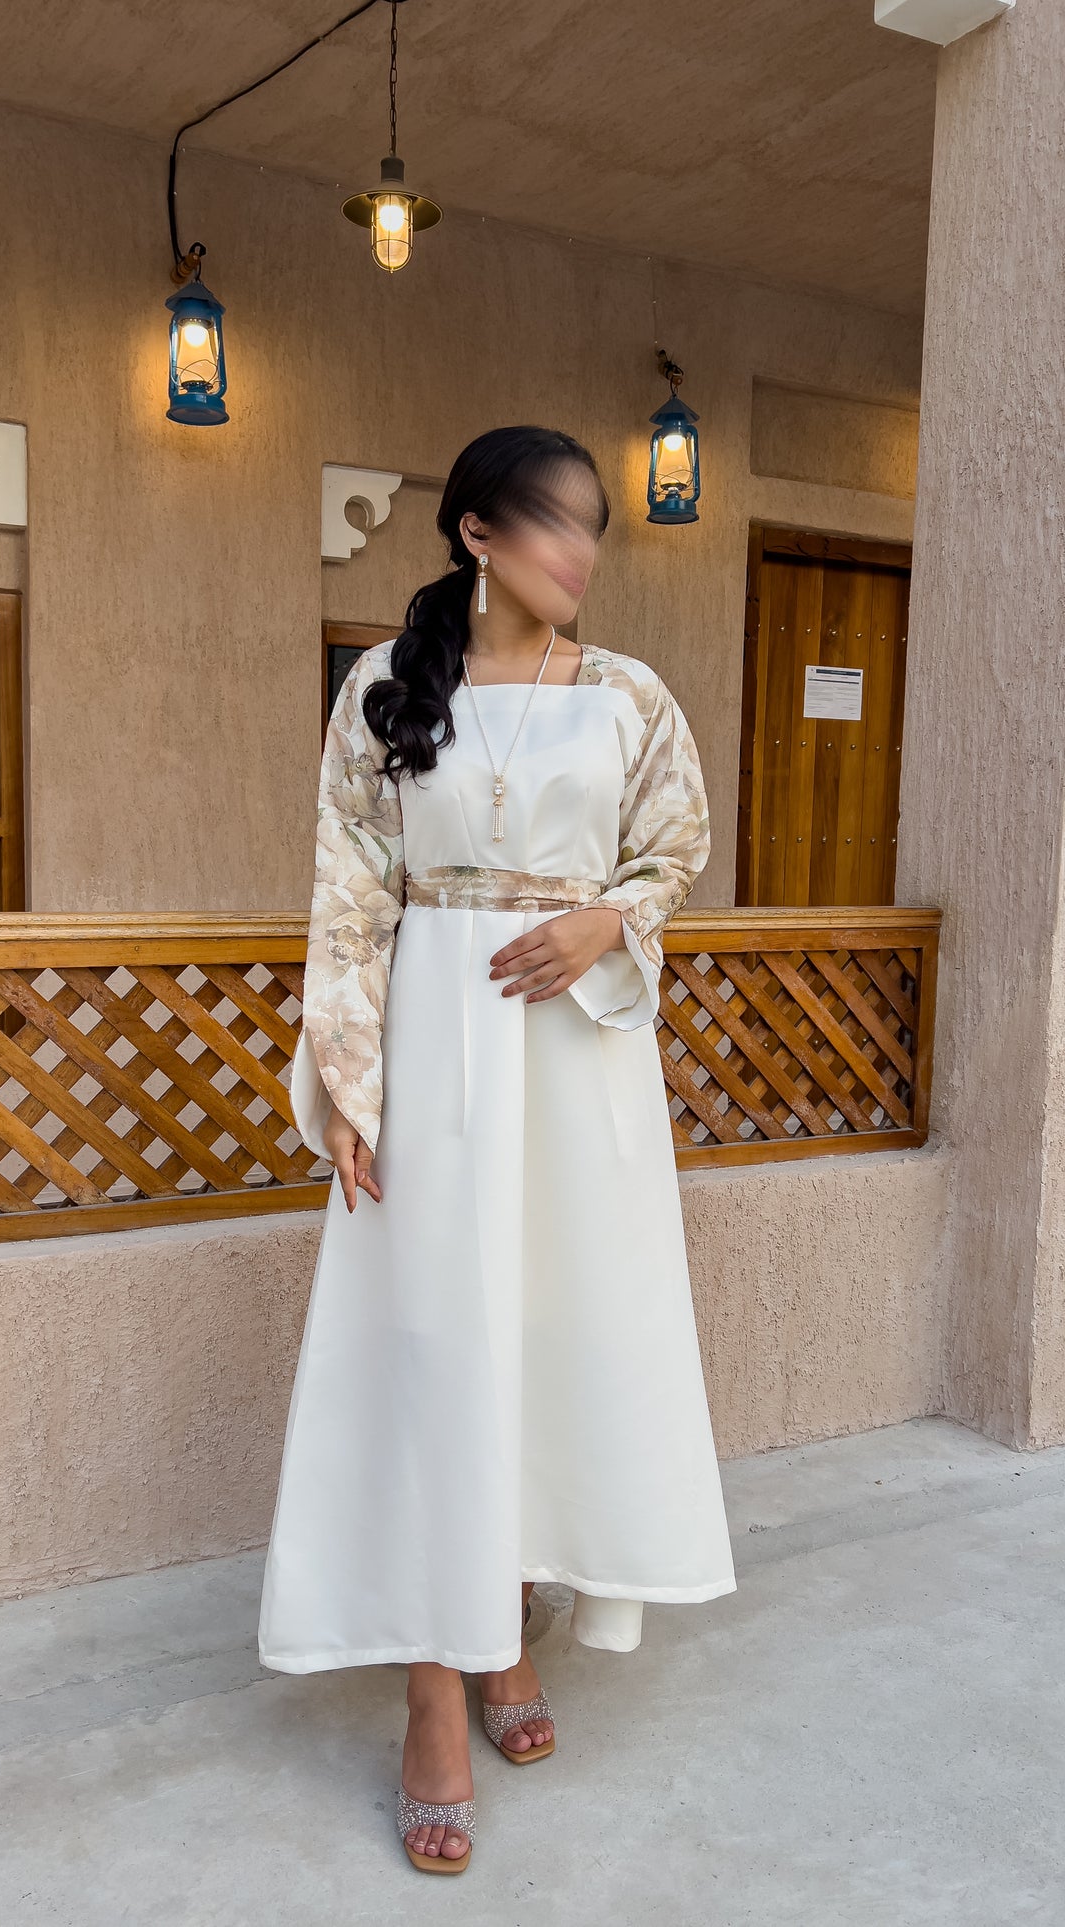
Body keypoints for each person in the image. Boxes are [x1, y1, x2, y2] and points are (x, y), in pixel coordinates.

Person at [258, 425, 736, 1873]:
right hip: (431, 1050)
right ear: (474, 533)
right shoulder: (389, 690)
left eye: (590, 526)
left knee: (547, 1337)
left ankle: (508, 1627)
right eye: (548, 526)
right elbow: (347, 891)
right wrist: (347, 1082)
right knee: (431, 1348)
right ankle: (433, 1690)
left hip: (575, 1059)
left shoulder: (627, 697)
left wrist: (608, 916)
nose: (577, 553)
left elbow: (675, 847)